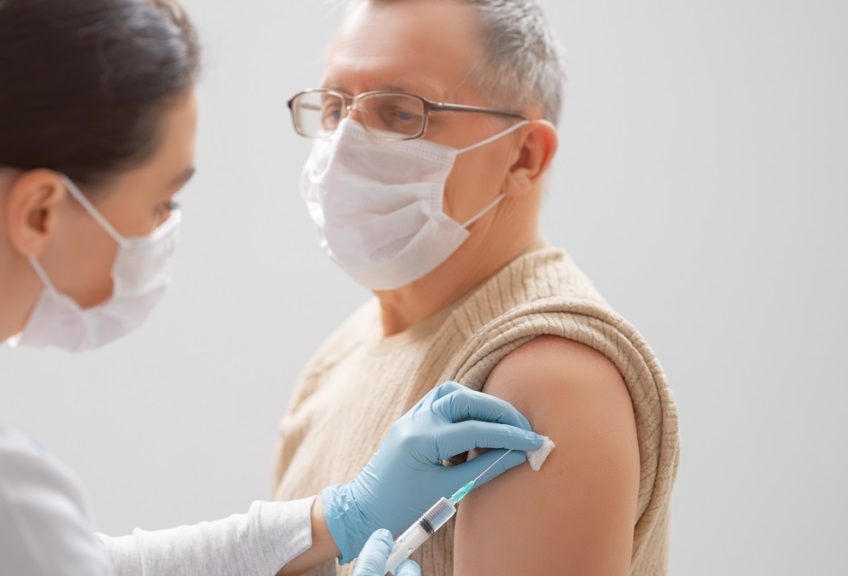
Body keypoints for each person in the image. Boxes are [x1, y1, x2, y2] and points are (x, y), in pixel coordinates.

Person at [0, 1, 549, 575]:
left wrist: (339, 517)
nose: (162, 231)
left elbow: (79, 566)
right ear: (41, 212)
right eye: (160, 204)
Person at [273, 0, 680, 575]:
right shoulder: (340, 357)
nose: (347, 145)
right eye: (337, 107)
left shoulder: (545, 371)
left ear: (525, 155)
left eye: (400, 112)